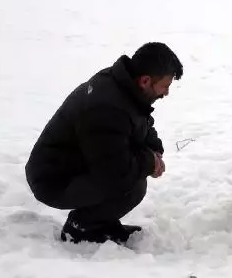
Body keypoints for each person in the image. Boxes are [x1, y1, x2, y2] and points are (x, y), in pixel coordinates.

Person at [25, 42, 183, 245]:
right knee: (132, 184)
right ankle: (81, 227)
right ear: (145, 81)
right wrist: (149, 163)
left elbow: (141, 123)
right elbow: (114, 169)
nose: (166, 93)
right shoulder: (107, 106)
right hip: (53, 180)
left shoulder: (124, 86)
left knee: (133, 175)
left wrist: (154, 150)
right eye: (165, 86)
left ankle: (100, 223)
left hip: (75, 164)